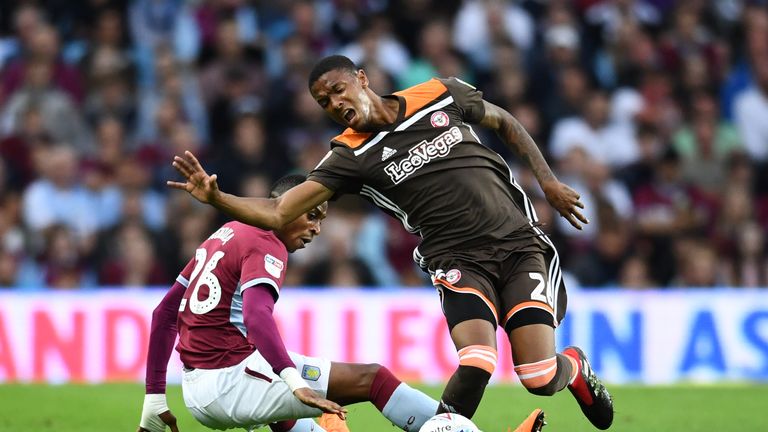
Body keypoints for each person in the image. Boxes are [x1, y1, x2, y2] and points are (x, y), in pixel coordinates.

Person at [168, 55, 614, 430]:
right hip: (455, 259)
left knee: (537, 374)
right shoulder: (348, 156)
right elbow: (282, 210)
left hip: (518, 245)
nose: (335, 104)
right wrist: (217, 198)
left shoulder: (439, 93)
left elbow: (505, 121)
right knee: (477, 360)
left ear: (362, 79)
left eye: (339, 90)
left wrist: (549, 182)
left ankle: (573, 368)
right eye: (324, 102)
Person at [137, 174, 441, 432]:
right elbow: (257, 317)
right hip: (228, 381)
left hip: (198, 386)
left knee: (286, 417)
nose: (317, 229)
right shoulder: (267, 241)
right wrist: (295, 381)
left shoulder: (226, 232)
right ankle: (454, 425)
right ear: (286, 206)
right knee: (372, 378)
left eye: (322, 219)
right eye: (311, 215)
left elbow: (164, 313)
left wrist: (154, 398)